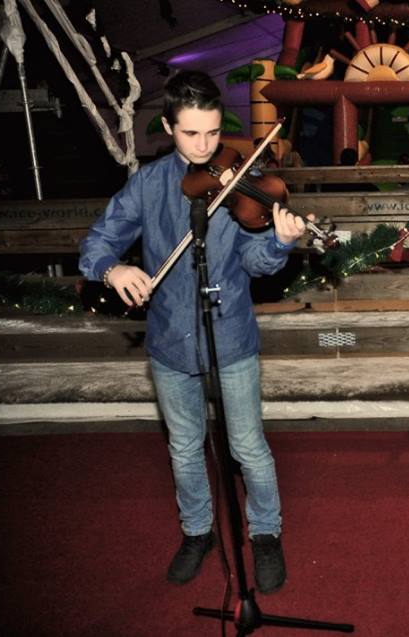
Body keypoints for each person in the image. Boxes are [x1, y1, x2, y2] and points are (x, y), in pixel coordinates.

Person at [78, 70, 313, 595]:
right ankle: (197, 532)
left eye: (213, 133)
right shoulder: (148, 184)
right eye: (191, 135)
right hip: (167, 338)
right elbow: (98, 241)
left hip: (229, 333)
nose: (206, 147)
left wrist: (278, 243)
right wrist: (112, 270)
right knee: (184, 447)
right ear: (168, 127)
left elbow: (254, 263)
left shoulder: (238, 181)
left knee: (248, 446)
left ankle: (266, 534)